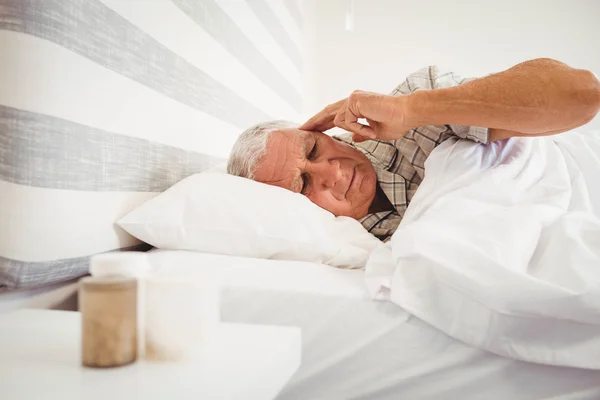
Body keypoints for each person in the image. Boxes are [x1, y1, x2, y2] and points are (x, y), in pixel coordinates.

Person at [227, 58, 600, 241]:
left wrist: (414, 109)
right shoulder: (343, 248)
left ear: (323, 130)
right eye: (302, 186)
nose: (332, 172)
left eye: (312, 150)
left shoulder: (415, 105)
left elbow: (583, 97)